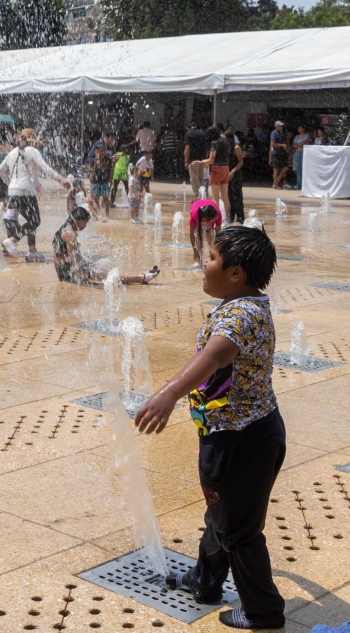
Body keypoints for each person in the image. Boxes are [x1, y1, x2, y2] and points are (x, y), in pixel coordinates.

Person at [134, 225, 286, 631]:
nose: (205, 262)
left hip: (240, 441)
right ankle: (205, 580)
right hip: (249, 432)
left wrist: (168, 394)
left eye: (213, 257)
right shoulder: (249, 303)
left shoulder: (241, 313)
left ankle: (263, 611)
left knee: (239, 530)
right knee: (223, 513)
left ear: (236, 273)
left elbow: (215, 356)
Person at [0, 128, 70, 262]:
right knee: (35, 221)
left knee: (31, 221)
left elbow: (0, 170)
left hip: (13, 191)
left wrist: (10, 183)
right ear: (33, 138)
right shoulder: (33, 151)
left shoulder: (12, 152)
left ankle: (32, 251)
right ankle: (12, 240)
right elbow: (45, 168)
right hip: (26, 192)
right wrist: (61, 179)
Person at [53, 207, 160, 286]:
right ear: (78, 220)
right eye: (85, 223)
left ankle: (141, 277)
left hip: (64, 270)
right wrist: (85, 277)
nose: (85, 226)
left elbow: (67, 256)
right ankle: (142, 277)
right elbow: (72, 259)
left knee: (102, 270)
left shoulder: (65, 229)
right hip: (68, 273)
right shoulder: (70, 234)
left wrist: (85, 265)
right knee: (108, 277)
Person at [192, 126, 231, 219]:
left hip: (217, 169)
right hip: (226, 168)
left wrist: (199, 162)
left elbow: (211, 160)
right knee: (225, 197)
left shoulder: (214, 143)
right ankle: (228, 218)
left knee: (215, 197)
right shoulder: (225, 143)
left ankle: (216, 219)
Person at [190, 199, 222, 268]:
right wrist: (195, 251)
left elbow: (218, 234)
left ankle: (214, 258)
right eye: (214, 218)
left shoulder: (218, 214)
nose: (216, 218)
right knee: (198, 237)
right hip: (198, 212)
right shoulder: (195, 216)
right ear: (207, 219)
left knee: (211, 237)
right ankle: (199, 260)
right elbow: (192, 235)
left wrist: (217, 249)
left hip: (207, 211)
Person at [225, 131, 246, 225]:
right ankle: (231, 216)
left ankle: (240, 216)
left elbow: (241, 162)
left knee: (237, 195)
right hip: (228, 174)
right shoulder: (227, 147)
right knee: (229, 195)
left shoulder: (236, 147)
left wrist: (233, 171)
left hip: (236, 174)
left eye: (225, 138)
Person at [88, 143, 112, 222]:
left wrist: (110, 181)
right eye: (99, 151)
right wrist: (96, 163)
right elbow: (90, 171)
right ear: (96, 152)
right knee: (96, 198)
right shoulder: (93, 160)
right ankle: (99, 214)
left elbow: (111, 170)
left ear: (105, 151)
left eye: (103, 151)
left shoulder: (108, 159)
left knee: (106, 198)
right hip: (96, 181)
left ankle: (107, 215)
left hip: (105, 181)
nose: (101, 153)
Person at [184, 123, 208, 197]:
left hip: (193, 159)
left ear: (189, 127)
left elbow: (187, 148)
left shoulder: (189, 134)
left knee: (194, 178)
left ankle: (198, 195)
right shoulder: (203, 133)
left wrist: (186, 160)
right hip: (202, 159)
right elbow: (207, 147)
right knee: (201, 178)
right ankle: (203, 194)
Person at [269, 121, 289, 189]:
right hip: (276, 153)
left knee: (285, 168)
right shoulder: (274, 133)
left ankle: (277, 181)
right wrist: (281, 145)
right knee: (276, 169)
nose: (281, 127)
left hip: (282, 153)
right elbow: (272, 144)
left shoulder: (281, 133)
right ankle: (276, 184)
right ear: (276, 126)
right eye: (280, 126)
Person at [292, 125, 310, 191]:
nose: (299, 130)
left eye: (300, 128)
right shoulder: (296, 136)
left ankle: (304, 184)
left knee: (303, 168)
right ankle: (298, 183)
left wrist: (298, 145)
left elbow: (303, 144)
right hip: (297, 153)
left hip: (303, 153)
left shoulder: (306, 135)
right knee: (298, 169)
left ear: (304, 129)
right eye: (298, 128)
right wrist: (299, 145)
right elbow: (294, 145)